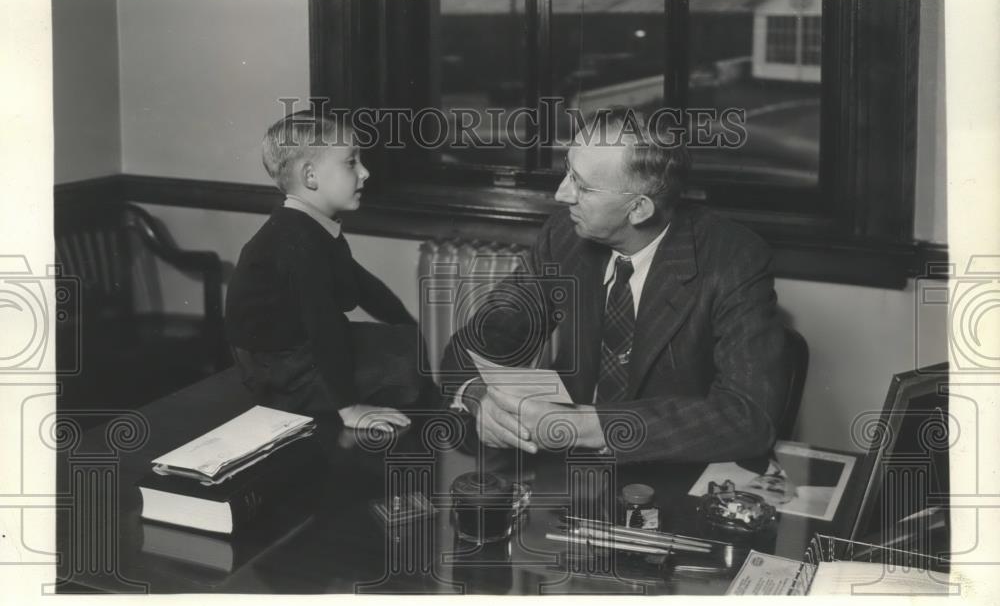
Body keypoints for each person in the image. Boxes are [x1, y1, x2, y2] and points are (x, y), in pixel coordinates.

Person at [439, 108, 788, 463]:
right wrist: (478, 396)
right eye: (568, 173)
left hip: (664, 475)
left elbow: (748, 417)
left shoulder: (733, 259)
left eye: (582, 186)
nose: (561, 195)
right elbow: (478, 342)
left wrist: (584, 425)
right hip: (563, 473)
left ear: (638, 209)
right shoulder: (564, 237)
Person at [225, 110, 429, 432]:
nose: (365, 172)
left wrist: (412, 328)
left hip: (298, 351)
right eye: (351, 163)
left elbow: (365, 287)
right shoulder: (296, 239)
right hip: (281, 371)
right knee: (407, 367)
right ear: (310, 176)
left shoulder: (310, 225)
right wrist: (349, 408)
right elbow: (323, 324)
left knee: (409, 347)